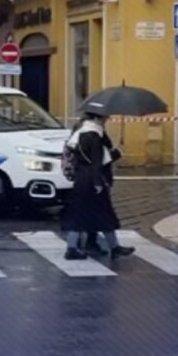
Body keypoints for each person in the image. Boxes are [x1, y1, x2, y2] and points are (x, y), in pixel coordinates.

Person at [60, 111, 134, 260]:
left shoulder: (80, 132)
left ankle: (78, 247)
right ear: (96, 118)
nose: (107, 119)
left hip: (82, 178)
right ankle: (110, 248)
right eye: (105, 117)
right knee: (102, 214)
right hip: (92, 180)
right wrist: (98, 182)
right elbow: (96, 161)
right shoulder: (93, 136)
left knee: (83, 214)